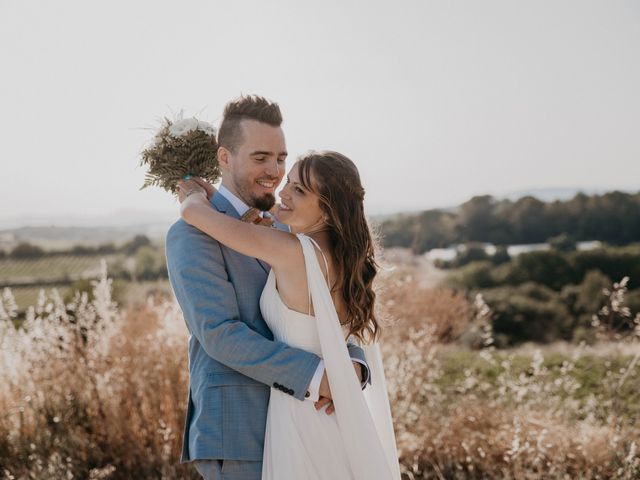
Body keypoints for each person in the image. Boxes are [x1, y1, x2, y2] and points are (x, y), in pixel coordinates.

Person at [165, 95, 372, 480]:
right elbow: (219, 334)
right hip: (241, 431)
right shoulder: (192, 235)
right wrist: (318, 377)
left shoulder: (288, 228)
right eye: (261, 158)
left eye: (281, 158)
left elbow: (324, 313)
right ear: (224, 158)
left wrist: (352, 368)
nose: (275, 172)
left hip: (312, 424)